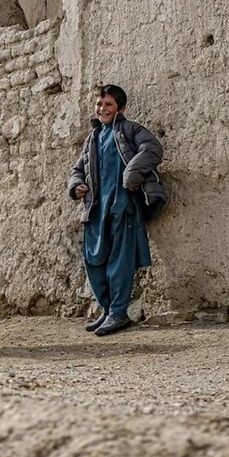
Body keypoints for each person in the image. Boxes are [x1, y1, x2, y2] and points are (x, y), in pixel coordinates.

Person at [67, 84, 164, 336]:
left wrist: (132, 172)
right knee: (93, 260)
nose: (103, 109)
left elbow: (153, 149)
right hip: (96, 210)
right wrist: (76, 185)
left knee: (119, 263)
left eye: (108, 104)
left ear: (120, 107)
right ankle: (107, 308)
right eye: (100, 104)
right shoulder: (93, 138)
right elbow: (77, 170)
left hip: (122, 206)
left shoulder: (130, 130)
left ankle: (118, 313)